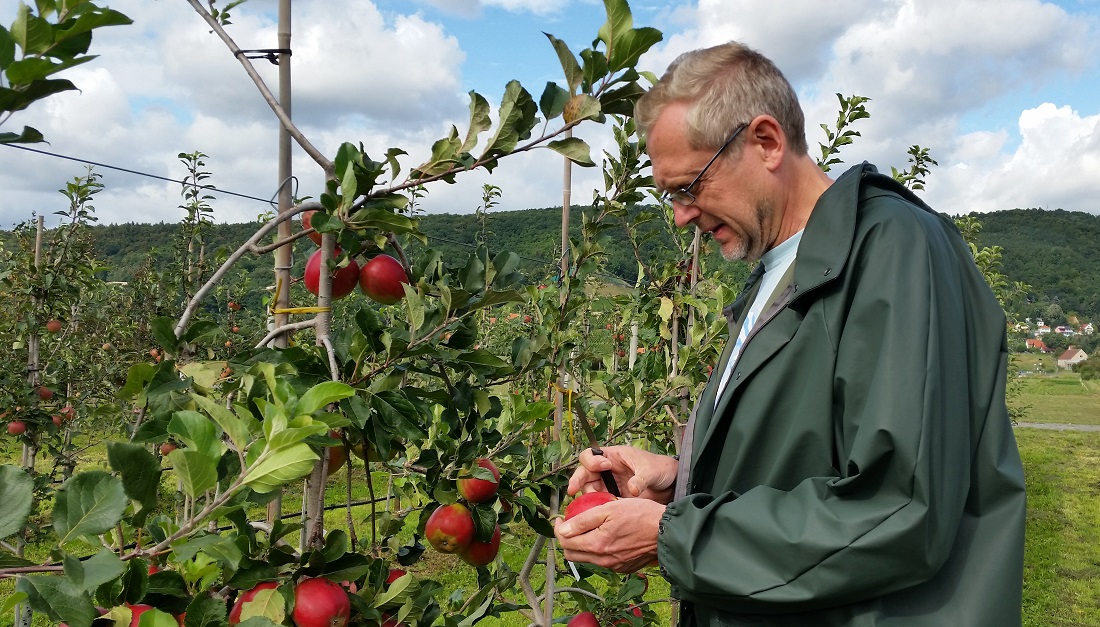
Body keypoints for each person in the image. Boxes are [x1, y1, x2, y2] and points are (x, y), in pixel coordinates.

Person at [553, 41, 1026, 626]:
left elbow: (899, 507)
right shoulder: (777, 278)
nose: (679, 214)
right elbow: (808, 461)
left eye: (688, 186)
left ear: (766, 142)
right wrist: (678, 485)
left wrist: (676, 537)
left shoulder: (891, 251)